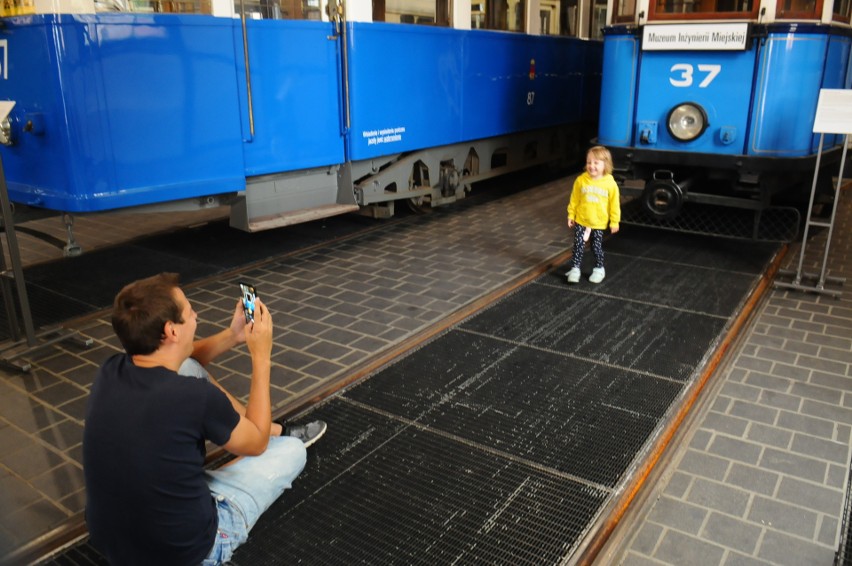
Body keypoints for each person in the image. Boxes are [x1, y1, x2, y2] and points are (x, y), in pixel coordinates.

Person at [83, 273, 327, 565]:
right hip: (191, 552)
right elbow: (257, 444)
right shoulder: (193, 397)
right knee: (290, 451)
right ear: (172, 331)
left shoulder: (111, 369)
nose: (196, 315)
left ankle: (269, 432)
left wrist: (233, 335)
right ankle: (274, 439)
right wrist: (261, 355)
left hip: (114, 543)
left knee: (186, 366)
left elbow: (183, 359)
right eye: (189, 312)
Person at [565, 145, 621, 284]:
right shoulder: (581, 180)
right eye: (589, 162)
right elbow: (574, 199)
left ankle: (599, 269)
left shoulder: (610, 183)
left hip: (599, 222)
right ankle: (575, 269)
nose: (592, 166)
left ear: (605, 164)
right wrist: (571, 215)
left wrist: (614, 221)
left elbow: (614, 204)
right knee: (578, 245)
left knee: (596, 247)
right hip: (582, 220)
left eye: (596, 163)